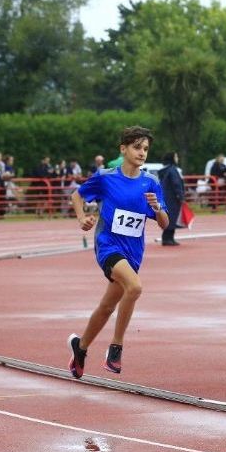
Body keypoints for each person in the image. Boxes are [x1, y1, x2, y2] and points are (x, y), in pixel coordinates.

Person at [67, 126, 169, 379]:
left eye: (146, 148)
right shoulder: (106, 178)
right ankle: (116, 347)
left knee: (106, 307)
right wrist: (82, 219)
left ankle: (80, 348)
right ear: (123, 149)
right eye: (137, 147)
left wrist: (157, 209)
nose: (142, 152)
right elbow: (77, 196)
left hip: (133, 253)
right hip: (108, 246)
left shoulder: (151, 182)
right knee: (134, 288)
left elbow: (165, 223)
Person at [158, 151, 185, 246]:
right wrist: (180, 196)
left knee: (170, 218)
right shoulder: (173, 170)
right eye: (176, 157)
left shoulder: (165, 170)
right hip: (172, 198)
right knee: (172, 218)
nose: (177, 158)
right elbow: (176, 184)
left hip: (166, 197)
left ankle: (169, 238)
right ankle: (167, 238)